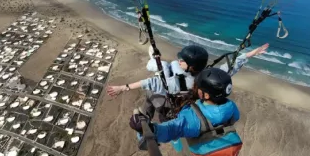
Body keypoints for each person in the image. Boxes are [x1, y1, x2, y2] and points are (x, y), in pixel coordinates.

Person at [129, 67, 242, 156]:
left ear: (206, 95)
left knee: (163, 114)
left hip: (185, 146)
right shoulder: (231, 106)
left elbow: (171, 130)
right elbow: (235, 117)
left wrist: (144, 129)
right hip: (213, 137)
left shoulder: (192, 120)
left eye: (199, 88)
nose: (196, 88)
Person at [106, 43, 269, 97]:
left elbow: (149, 82)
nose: (180, 59)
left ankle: (153, 61)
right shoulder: (210, 76)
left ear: (191, 66)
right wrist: (252, 53)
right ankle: (156, 61)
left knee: (161, 66)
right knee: (172, 65)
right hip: (185, 77)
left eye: (183, 60)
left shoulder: (174, 83)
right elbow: (231, 65)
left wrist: (123, 87)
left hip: (174, 88)